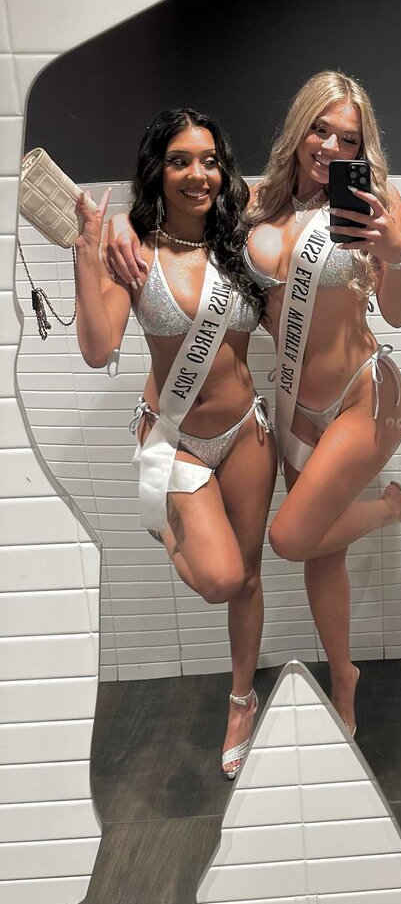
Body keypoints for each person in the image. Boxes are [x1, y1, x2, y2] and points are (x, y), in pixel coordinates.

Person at [107, 74, 401, 736]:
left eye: (348, 139)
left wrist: (395, 254)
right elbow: (174, 218)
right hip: (293, 411)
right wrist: (117, 227)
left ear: (362, 147)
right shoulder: (252, 203)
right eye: (320, 129)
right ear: (298, 129)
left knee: (291, 538)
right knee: (321, 556)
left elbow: (399, 312)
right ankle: (344, 676)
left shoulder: (376, 202)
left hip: (363, 396)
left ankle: (392, 508)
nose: (331, 148)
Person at [74, 109, 277, 778]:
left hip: (246, 433)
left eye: (210, 160)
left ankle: (241, 701)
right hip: (176, 436)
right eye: (181, 161)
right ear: (157, 171)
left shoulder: (241, 238)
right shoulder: (132, 253)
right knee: (220, 579)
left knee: (248, 577)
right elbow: (98, 346)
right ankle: (160, 516)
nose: (198, 174)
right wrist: (89, 247)